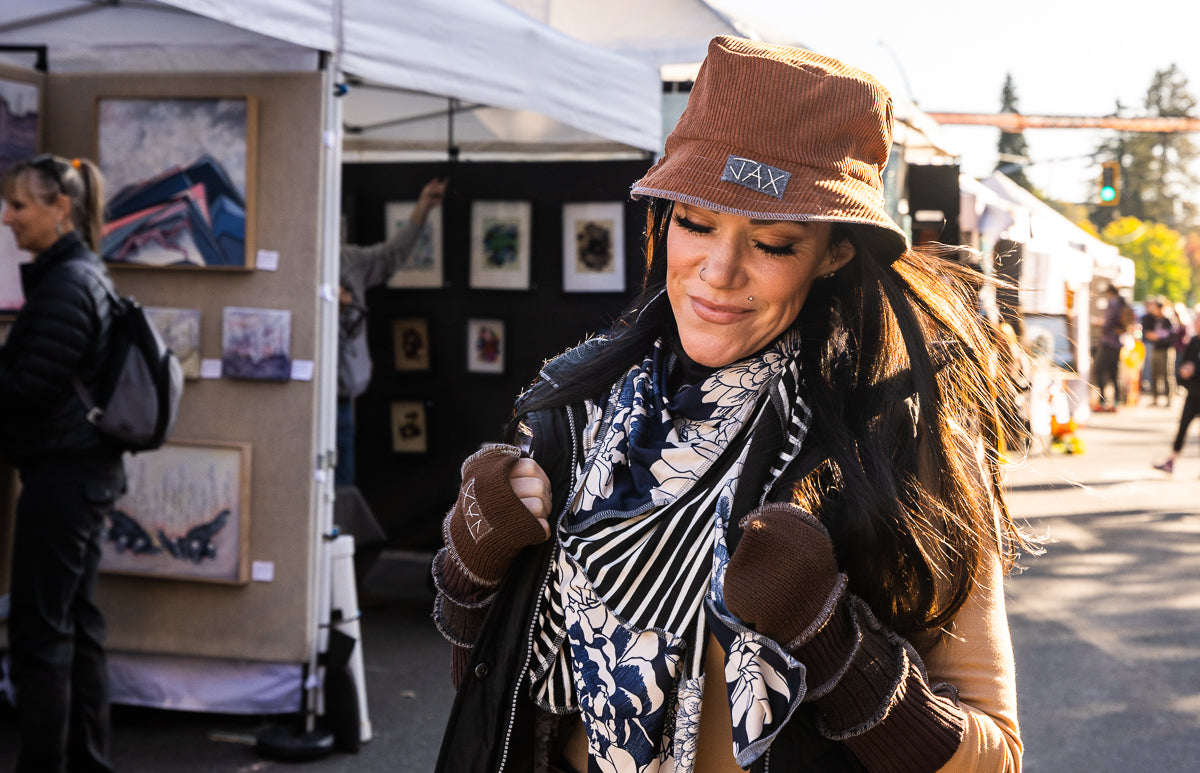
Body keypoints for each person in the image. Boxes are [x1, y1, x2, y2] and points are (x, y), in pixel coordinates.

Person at [431, 37, 1033, 772]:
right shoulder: (576, 408)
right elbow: (501, 698)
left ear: (836, 252)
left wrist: (835, 642)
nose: (718, 272)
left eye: (774, 242)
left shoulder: (896, 440)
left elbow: (996, 757)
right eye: (695, 222)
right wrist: (473, 565)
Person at [0, 154, 124, 772]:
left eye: (19, 206)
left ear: (59, 208)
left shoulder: (68, 283)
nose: (8, 218)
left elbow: (28, 389)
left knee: (42, 636)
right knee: (75, 626)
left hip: (64, 479)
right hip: (80, 476)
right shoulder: (80, 276)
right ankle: (86, 763)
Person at [336, 176, 447, 486]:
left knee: (343, 489)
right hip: (307, 397)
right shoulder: (298, 270)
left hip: (345, 398)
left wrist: (423, 207)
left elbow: (390, 255)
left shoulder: (348, 261)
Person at [1153, 312, 1200, 475]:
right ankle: (1171, 461)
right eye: (1195, 319)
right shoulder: (1194, 341)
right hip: (1193, 394)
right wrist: (1183, 373)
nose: (1195, 322)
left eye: (1198, 319)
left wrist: (1195, 369)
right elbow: (1182, 362)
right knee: (1183, 427)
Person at [1093, 283, 1129, 411]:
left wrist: (1097, 322)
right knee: (1114, 373)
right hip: (1118, 342)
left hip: (1108, 342)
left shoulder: (1113, 304)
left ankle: (1103, 400)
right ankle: (1117, 401)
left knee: (1099, 370)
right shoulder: (1122, 304)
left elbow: (1107, 323)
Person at [1140, 296, 1177, 407]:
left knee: (1167, 374)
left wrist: (1158, 337)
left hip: (1166, 350)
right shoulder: (1152, 319)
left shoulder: (1168, 319)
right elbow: (1147, 332)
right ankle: (1155, 398)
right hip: (1155, 349)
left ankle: (1169, 398)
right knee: (1155, 373)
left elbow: (1172, 335)